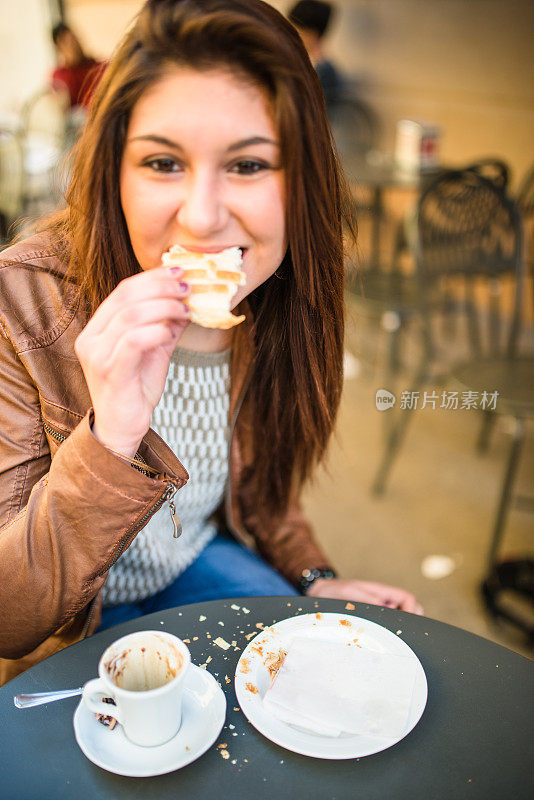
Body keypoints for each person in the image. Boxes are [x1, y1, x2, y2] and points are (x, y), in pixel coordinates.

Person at [0, 0, 421, 686]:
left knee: (315, 677)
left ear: (301, 185)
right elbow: (9, 619)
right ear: (114, 172)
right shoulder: (20, 303)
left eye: (249, 166)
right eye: (163, 161)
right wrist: (108, 438)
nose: (201, 216)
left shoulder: (282, 295)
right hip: (69, 617)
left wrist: (315, 578)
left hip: (194, 556)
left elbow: (265, 489)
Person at [288, 0, 345, 117]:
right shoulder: (308, 63)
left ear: (312, 34)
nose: (291, 36)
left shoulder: (325, 71)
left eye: (296, 31)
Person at [51, 22, 105, 109]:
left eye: (74, 39)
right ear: (60, 49)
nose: (74, 46)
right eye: (67, 43)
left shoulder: (97, 67)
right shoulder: (60, 76)